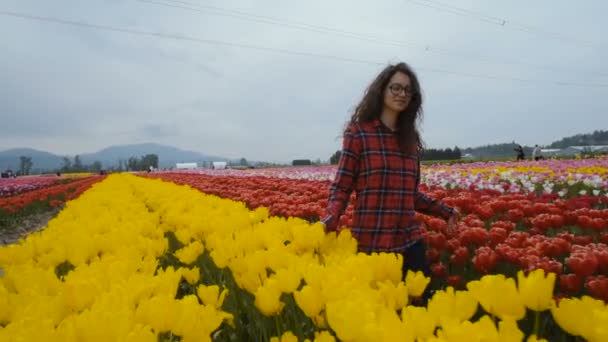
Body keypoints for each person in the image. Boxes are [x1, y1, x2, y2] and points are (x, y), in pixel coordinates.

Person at [321, 62, 460, 303]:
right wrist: (330, 220)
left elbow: (411, 194)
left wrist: (446, 212)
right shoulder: (359, 134)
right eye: (395, 88)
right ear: (382, 90)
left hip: (408, 241)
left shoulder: (410, 139)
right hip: (371, 242)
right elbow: (342, 186)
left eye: (408, 90)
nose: (401, 94)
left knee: (420, 313)